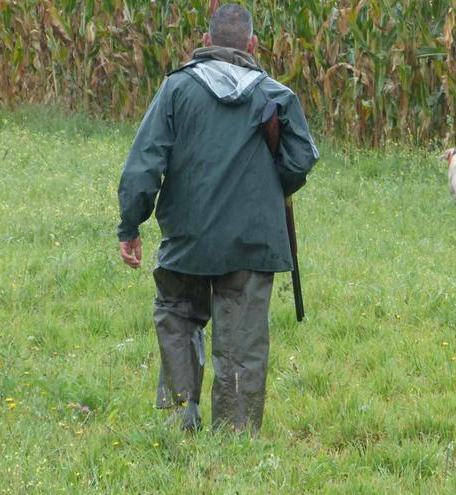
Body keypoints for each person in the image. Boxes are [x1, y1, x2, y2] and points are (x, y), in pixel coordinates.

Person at [116, 4, 319, 433]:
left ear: (206, 42)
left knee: (177, 316)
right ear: (253, 45)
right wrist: (272, 182)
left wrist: (130, 226)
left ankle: (178, 420)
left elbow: (144, 163)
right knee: (241, 342)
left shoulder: (176, 89)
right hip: (252, 243)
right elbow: (301, 159)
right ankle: (235, 434)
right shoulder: (275, 94)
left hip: (186, 239)